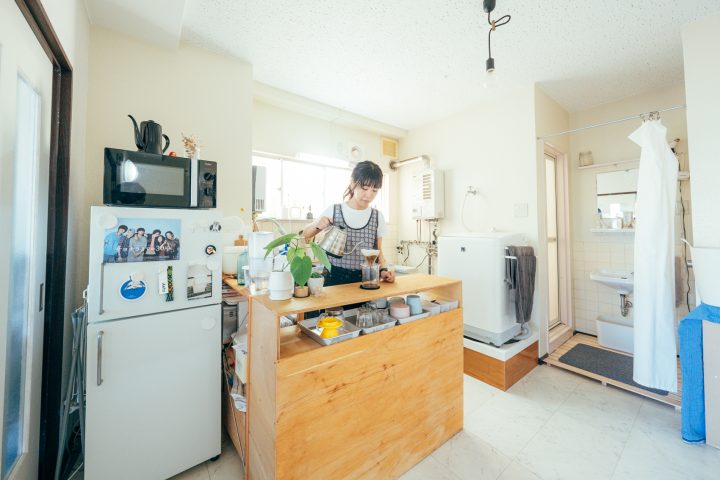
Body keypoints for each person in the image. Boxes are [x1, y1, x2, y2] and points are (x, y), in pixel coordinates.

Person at [302, 160, 395, 286]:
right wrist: (316, 224)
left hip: (365, 278)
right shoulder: (334, 210)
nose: (369, 195)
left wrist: (384, 271)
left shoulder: (378, 217)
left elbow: (378, 251)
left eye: (374, 190)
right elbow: (305, 235)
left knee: (363, 307)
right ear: (352, 184)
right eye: (365, 188)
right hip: (334, 276)